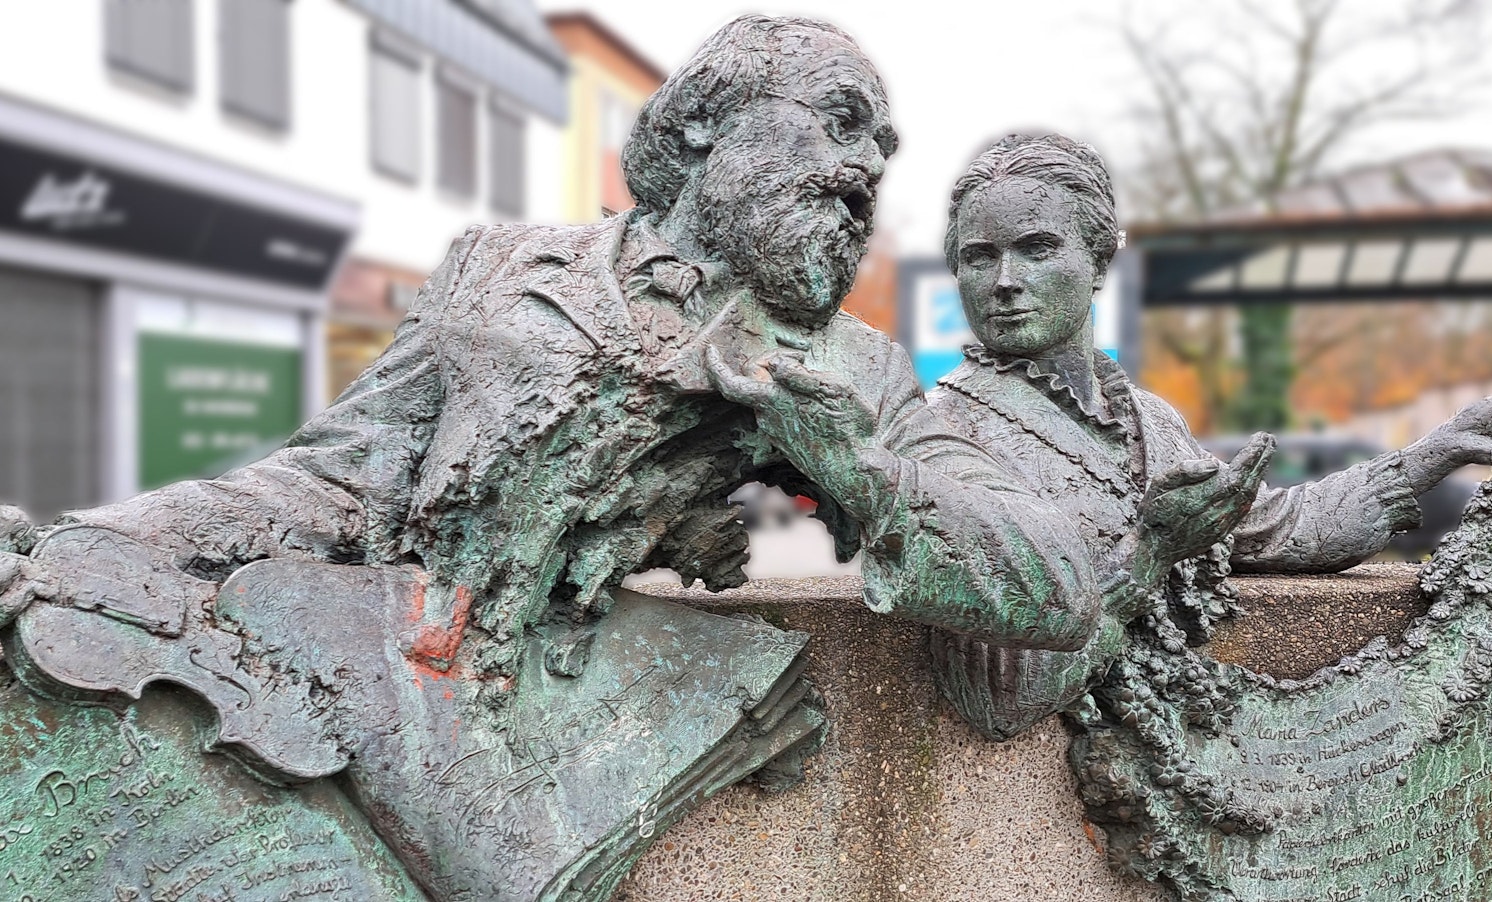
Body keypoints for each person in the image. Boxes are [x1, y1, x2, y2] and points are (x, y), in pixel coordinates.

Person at [0, 22, 1138, 902]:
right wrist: (91, 539)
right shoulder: (493, 271)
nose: (866, 170)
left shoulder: (852, 363)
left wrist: (859, 471)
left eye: (882, 152)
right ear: (704, 129)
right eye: (841, 125)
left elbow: (1051, 584)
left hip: (521, 714)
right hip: (350, 643)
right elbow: (328, 479)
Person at [926, 133, 1492, 741]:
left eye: (1035, 249)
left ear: (1098, 262)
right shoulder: (942, 438)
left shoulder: (1148, 419)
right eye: (979, 258)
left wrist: (1439, 451)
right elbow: (999, 698)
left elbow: (1277, 529)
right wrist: (1150, 552)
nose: (1005, 282)